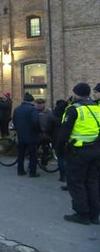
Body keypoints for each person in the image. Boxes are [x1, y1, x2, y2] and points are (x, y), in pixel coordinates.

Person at [55, 83, 100, 225]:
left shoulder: (74, 109)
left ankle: (82, 214)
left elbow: (64, 133)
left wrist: (59, 150)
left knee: (76, 182)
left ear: (76, 93)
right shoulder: (96, 108)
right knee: (92, 182)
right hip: (95, 150)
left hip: (78, 152)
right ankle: (94, 214)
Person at [12, 92, 41, 178]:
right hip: (31, 136)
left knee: (21, 154)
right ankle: (32, 172)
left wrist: (18, 130)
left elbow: (14, 121)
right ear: (31, 101)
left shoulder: (17, 109)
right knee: (33, 155)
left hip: (21, 135)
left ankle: (20, 170)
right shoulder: (32, 109)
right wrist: (38, 131)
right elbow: (36, 122)